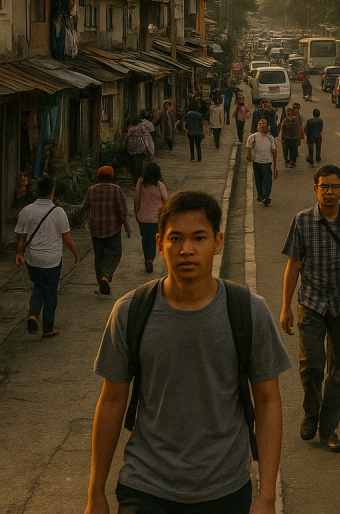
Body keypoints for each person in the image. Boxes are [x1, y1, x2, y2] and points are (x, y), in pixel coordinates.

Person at [84, 190, 291, 514]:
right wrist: (95, 493)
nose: (187, 249)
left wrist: (267, 496)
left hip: (226, 488)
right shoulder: (130, 312)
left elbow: (267, 402)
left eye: (199, 238)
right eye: (176, 238)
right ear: (160, 245)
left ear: (218, 242)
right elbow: (111, 400)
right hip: (145, 487)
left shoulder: (249, 312)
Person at [280, 165, 340, 452]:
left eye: (335, 186)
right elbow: (293, 264)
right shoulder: (302, 221)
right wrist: (286, 307)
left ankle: (329, 428)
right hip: (311, 302)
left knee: (338, 371)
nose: (329, 192)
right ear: (315, 189)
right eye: (324, 187)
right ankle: (311, 413)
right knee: (311, 365)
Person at [14, 175, 80, 337]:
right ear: (52, 189)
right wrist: (76, 255)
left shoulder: (27, 210)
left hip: (33, 258)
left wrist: (19, 253)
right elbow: (67, 237)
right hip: (52, 260)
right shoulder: (58, 212)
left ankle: (33, 314)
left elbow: (21, 236)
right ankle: (48, 327)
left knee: (38, 286)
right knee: (50, 292)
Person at [82, 166, 132, 295]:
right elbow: (122, 210)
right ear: (112, 177)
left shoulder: (91, 190)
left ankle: (101, 283)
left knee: (99, 257)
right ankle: (107, 276)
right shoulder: (117, 190)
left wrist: (87, 221)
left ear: (98, 176)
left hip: (96, 230)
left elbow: (85, 207)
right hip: (113, 229)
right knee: (114, 253)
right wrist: (126, 226)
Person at [134, 161, 168, 273]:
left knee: (145, 239)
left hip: (143, 217)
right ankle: (150, 259)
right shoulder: (160, 185)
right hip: (156, 218)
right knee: (153, 240)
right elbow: (166, 200)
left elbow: (136, 198)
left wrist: (136, 211)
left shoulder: (140, 183)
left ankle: (147, 258)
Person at [247, 119, 278, 206]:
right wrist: (249, 156)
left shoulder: (270, 138)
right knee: (258, 179)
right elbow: (249, 148)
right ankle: (260, 194)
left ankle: (266, 196)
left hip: (267, 162)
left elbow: (274, 151)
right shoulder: (253, 137)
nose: (263, 125)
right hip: (257, 162)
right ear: (258, 125)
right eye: (262, 123)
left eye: (265, 123)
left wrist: (275, 167)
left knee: (267, 180)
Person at [125, 118, 152, 185]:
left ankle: (135, 179)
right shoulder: (142, 129)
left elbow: (128, 141)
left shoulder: (130, 130)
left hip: (132, 151)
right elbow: (146, 139)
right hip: (141, 150)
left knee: (134, 165)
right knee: (139, 165)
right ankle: (138, 179)